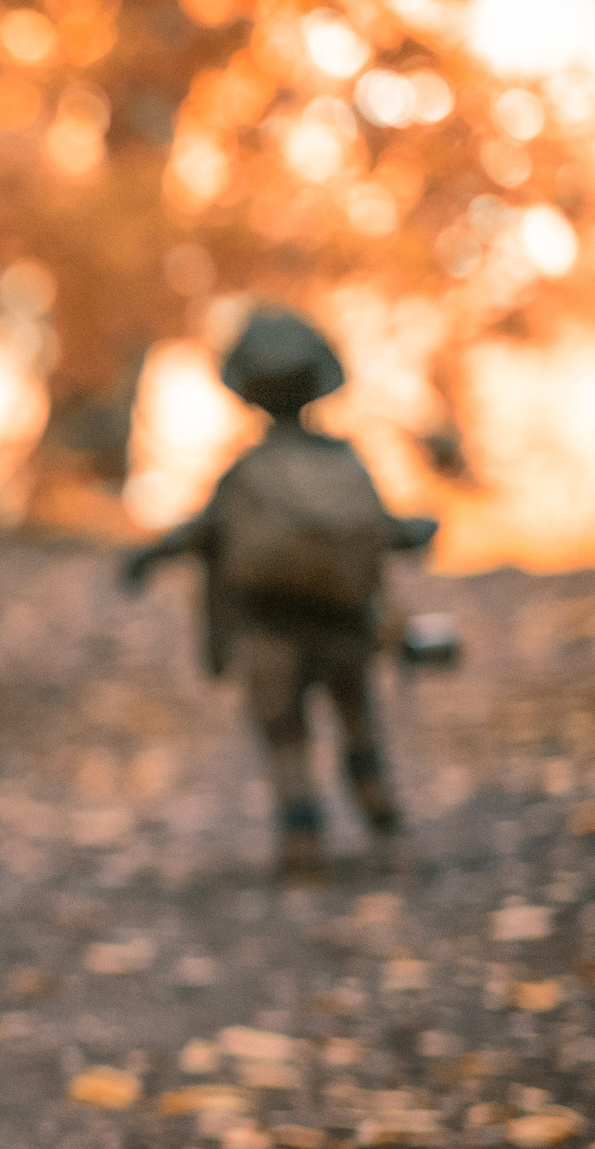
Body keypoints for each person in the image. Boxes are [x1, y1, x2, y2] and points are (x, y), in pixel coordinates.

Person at [122, 308, 434, 875]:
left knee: (285, 732)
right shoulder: (345, 462)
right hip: (343, 621)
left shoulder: (248, 470)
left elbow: (201, 531)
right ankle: (378, 808)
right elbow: (386, 528)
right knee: (356, 715)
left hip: (269, 626)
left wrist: (146, 558)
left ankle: (302, 837)